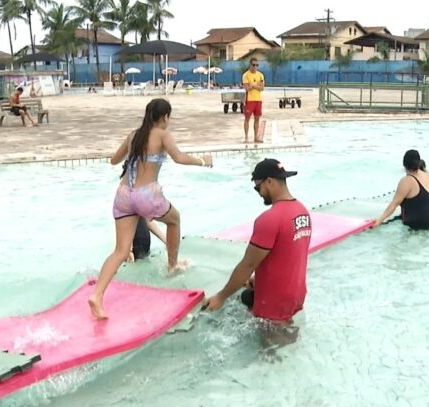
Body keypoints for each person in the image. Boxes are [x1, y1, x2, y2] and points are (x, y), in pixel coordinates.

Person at [88, 98, 214, 320]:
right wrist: (204, 161)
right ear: (165, 117)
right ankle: (172, 265)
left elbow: (113, 161)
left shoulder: (134, 135)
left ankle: (97, 296)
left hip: (123, 195)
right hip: (147, 195)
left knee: (120, 251)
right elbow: (179, 157)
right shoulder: (162, 134)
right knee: (174, 219)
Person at [205, 159, 311, 348]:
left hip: (273, 302)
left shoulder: (269, 219)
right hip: (296, 295)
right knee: (286, 338)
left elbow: (248, 264)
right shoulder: (302, 212)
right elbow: (288, 255)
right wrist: (258, 278)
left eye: (258, 187)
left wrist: (220, 297)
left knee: (269, 355)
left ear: (269, 181)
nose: (259, 193)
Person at [373, 150, 429, 230]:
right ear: (419, 162)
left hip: (425, 223)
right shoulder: (427, 174)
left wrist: (379, 220)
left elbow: (394, 204)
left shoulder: (406, 181)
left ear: (404, 165)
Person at [242, 58, 265, 143]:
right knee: (247, 118)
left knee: (257, 119)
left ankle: (256, 137)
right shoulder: (246, 75)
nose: (255, 67)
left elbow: (262, 88)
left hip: (258, 100)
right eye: (254, 65)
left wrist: (253, 85)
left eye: (257, 65)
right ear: (250, 65)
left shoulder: (260, 75)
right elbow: (247, 88)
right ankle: (246, 137)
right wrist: (256, 85)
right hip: (249, 100)